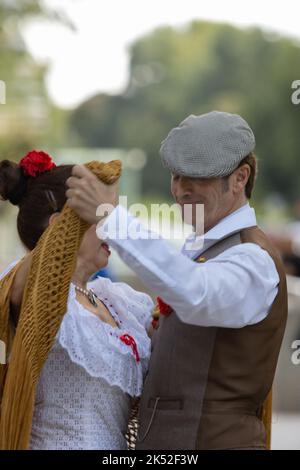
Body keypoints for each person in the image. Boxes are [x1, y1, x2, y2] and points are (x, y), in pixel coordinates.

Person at [66, 111, 288, 450]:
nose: (181, 189)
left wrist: (111, 218)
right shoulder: (201, 250)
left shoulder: (253, 259)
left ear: (241, 177)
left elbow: (197, 293)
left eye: (197, 176)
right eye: (176, 175)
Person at [0, 151, 153, 450]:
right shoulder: (28, 287)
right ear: (61, 225)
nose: (111, 229)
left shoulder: (118, 301)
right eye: (100, 219)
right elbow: (18, 286)